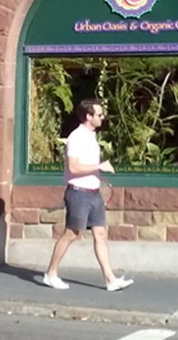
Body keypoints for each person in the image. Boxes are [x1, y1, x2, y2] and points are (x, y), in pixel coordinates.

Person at [43, 98, 133, 292]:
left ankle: (110, 280)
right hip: (78, 193)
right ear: (88, 116)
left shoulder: (91, 136)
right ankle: (51, 274)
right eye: (99, 114)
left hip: (94, 194)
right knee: (72, 234)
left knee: (100, 234)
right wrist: (99, 166)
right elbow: (73, 167)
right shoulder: (76, 137)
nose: (102, 117)